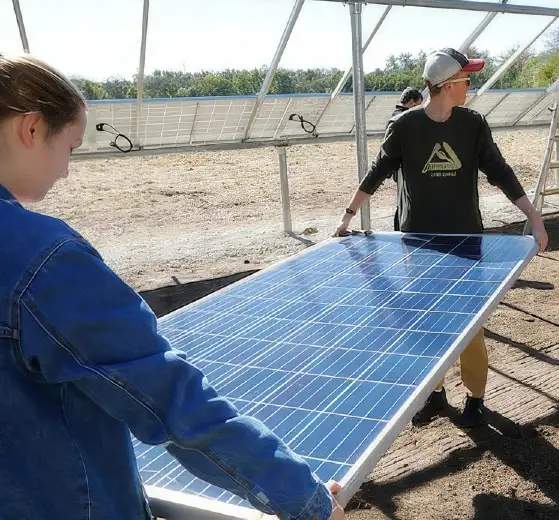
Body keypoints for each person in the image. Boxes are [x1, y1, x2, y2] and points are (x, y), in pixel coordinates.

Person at [0, 54, 343, 520]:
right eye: (71, 148)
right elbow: (171, 399)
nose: (66, 171)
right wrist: (303, 498)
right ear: (33, 129)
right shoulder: (41, 259)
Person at [333, 47, 549, 427]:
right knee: (426, 323)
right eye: (467, 79)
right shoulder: (405, 127)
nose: (470, 85)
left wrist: (533, 215)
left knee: (470, 326)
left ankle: (475, 399)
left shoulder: (472, 124)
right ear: (448, 85)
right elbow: (377, 172)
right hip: (418, 242)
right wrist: (348, 217)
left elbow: (499, 170)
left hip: (467, 241)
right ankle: (435, 394)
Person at [387, 87, 424, 231]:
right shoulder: (403, 119)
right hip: (405, 168)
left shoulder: (396, 116)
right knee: (405, 201)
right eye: (419, 104)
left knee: (402, 200)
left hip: (400, 168)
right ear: (412, 102)